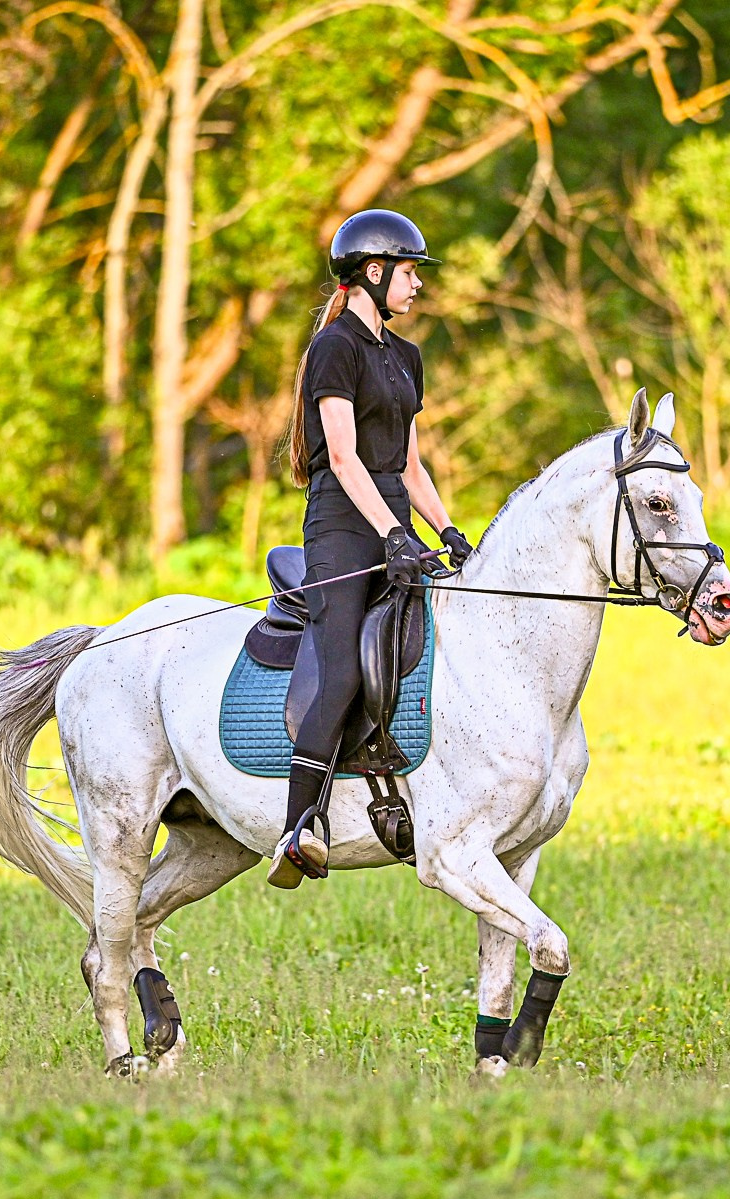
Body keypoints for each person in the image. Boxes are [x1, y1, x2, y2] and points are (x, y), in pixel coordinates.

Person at [267, 209, 475, 889]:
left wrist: (446, 532)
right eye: (410, 273)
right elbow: (348, 458)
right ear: (373, 273)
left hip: (393, 529)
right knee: (344, 673)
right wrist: (390, 532)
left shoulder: (406, 356)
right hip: (341, 532)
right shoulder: (335, 350)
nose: (418, 287)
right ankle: (298, 830)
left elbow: (409, 468)